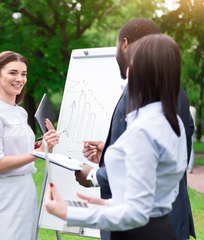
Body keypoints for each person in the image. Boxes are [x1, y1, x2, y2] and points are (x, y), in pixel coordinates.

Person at [45, 33, 188, 240]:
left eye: (131, 63)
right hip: (159, 229)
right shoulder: (171, 122)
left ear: (141, 71)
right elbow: (158, 196)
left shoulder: (144, 129)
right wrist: (109, 204)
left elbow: (137, 213)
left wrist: (68, 212)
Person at [0, 51, 59, 240]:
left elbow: (21, 150)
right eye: (13, 73)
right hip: (4, 196)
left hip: (26, 191)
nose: (20, 79)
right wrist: (38, 151)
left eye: (24, 74)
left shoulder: (20, 112)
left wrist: (46, 143)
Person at [188, 105, 196, 173]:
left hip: (187, 128)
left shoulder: (187, 108)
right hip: (193, 129)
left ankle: (188, 165)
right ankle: (190, 167)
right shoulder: (194, 109)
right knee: (191, 147)